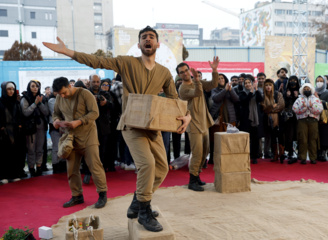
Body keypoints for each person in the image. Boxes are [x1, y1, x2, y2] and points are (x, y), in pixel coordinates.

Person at [43, 26, 191, 232]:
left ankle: (138, 201)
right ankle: (144, 211)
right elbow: (98, 61)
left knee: (163, 168)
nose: (147, 39)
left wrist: (187, 115)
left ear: (157, 44)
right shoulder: (127, 62)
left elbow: (175, 99)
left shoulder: (165, 72)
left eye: (151, 37)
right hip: (131, 124)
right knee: (147, 165)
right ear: (139, 45)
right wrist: (69, 52)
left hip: (154, 127)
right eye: (144, 37)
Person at [51, 77, 108, 209]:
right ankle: (77, 196)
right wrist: (56, 121)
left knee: (95, 166)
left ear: (70, 86)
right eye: (60, 94)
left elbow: (95, 113)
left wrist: (79, 121)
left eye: (64, 92)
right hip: (70, 137)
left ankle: (102, 194)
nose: (63, 96)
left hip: (88, 136)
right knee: (71, 169)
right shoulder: (60, 97)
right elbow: (55, 113)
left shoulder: (85, 94)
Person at [178, 58, 219, 192]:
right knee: (197, 153)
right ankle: (192, 180)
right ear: (179, 75)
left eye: (186, 70)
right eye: (182, 72)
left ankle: (197, 175)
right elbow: (198, 92)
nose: (185, 73)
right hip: (193, 123)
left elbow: (213, 84)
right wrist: (196, 80)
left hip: (204, 122)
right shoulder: (183, 89)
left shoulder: (198, 81)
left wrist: (214, 70)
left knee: (205, 151)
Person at [20, 80, 49, 177]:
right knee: (31, 149)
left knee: (40, 148)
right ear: (29, 87)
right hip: (30, 127)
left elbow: (46, 112)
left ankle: (39, 166)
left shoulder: (42, 98)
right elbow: (25, 113)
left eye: (36, 86)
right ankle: (31, 168)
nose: (35, 88)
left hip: (41, 126)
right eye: (33, 86)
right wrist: (35, 104)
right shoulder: (25, 98)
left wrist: (39, 103)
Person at [209, 73, 239, 164]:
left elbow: (236, 99)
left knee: (229, 139)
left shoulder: (231, 89)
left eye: (222, 78)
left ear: (225, 80)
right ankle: (212, 158)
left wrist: (230, 90)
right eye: (218, 78)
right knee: (214, 139)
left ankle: (227, 158)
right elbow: (216, 98)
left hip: (229, 117)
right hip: (217, 117)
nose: (221, 79)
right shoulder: (214, 90)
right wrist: (225, 90)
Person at [0, 82, 26, 180]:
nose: (11, 91)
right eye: (9, 89)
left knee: (16, 153)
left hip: (16, 132)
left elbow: (20, 116)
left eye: (13, 89)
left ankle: (15, 174)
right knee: (4, 154)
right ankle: (4, 176)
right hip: (3, 133)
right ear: (4, 90)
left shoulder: (16, 102)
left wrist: (20, 125)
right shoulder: (0, 102)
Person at [292, 83, 323, 164]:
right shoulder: (299, 99)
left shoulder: (315, 99)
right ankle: (303, 158)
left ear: (311, 89)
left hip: (313, 121)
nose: (306, 90)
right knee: (302, 139)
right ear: (302, 90)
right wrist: (303, 107)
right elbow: (295, 109)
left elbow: (319, 109)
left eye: (308, 89)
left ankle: (313, 158)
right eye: (305, 89)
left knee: (313, 139)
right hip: (302, 121)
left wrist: (310, 106)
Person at [238, 75, 263, 164]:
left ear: (252, 83)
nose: (248, 84)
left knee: (255, 139)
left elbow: (260, 99)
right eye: (246, 83)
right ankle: (245, 155)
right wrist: (251, 92)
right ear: (244, 85)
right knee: (246, 139)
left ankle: (254, 156)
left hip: (256, 118)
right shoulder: (242, 93)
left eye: (249, 83)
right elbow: (245, 101)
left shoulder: (256, 92)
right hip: (246, 119)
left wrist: (256, 90)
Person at [260, 79, 285, 163]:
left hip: (279, 119)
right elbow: (264, 108)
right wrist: (272, 106)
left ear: (273, 86)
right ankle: (275, 154)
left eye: (270, 85)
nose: (268, 87)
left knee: (280, 137)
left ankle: (281, 154)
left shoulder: (278, 94)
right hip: (268, 120)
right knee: (272, 137)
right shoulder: (262, 96)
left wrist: (270, 109)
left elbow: (281, 106)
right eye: (266, 85)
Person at [314, 76, 328, 162]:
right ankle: (316, 152)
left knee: (324, 135)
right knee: (315, 134)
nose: (319, 82)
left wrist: (319, 100)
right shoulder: (312, 92)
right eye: (318, 81)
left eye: (321, 81)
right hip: (314, 116)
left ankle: (323, 152)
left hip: (325, 115)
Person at [48, 91, 66, 173]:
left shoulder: (65, 99)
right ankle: (55, 164)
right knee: (56, 147)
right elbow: (57, 112)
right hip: (55, 127)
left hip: (64, 127)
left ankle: (62, 163)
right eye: (56, 91)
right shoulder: (51, 100)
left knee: (64, 146)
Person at [283, 75, 300, 164]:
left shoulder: (300, 91)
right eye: (291, 80)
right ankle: (289, 152)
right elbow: (283, 104)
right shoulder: (286, 91)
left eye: (295, 80)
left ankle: (299, 153)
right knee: (289, 135)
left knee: (298, 135)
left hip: (298, 117)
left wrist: (297, 96)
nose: (293, 82)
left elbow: (302, 103)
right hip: (288, 117)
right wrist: (287, 96)